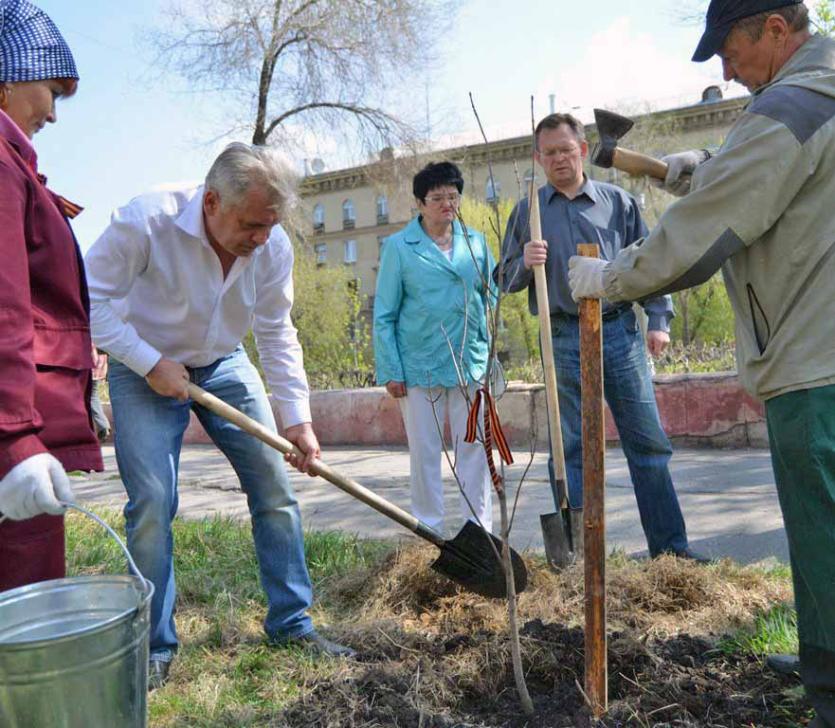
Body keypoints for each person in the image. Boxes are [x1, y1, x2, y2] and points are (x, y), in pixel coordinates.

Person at [567, 2, 835, 725]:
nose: (724, 69)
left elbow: (706, 229)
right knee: (817, 531)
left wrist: (612, 278)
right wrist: (696, 170)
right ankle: (820, 658)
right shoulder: (815, 98)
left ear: (777, 30)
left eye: (729, 49)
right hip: (818, 348)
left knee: (824, 532)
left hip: (815, 361)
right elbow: (770, 185)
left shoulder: (794, 102)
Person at [84, 142, 354, 691]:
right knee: (155, 502)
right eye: (252, 224)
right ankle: (155, 645)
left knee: (274, 485)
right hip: (144, 368)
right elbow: (88, 301)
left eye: (270, 225)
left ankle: (292, 622)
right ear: (211, 201)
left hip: (225, 363)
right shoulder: (145, 222)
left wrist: (295, 417)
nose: (262, 238)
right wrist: (148, 361)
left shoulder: (272, 245)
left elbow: (277, 330)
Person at [496, 112, 704, 562]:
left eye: (566, 150)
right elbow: (501, 279)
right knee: (569, 447)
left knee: (647, 441)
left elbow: (652, 264)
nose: (558, 160)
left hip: (619, 333)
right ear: (538, 157)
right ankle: (575, 559)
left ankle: (670, 553)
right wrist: (524, 263)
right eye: (548, 153)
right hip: (562, 338)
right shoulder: (527, 211)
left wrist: (659, 320)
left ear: (583, 150)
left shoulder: (619, 202)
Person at [0, 0, 102, 592]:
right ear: (8, 76)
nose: (54, 114)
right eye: (52, 92)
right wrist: (14, 440)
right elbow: (6, 308)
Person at [374, 161, 497, 534]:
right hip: (419, 364)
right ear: (420, 203)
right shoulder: (399, 247)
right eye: (438, 197)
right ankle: (429, 529)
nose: (447, 203)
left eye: (453, 195)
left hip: (470, 363)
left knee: (473, 449)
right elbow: (385, 313)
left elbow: (490, 295)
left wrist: (487, 348)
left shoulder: (475, 241)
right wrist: (391, 369)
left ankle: (479, 531)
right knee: (426, 452)